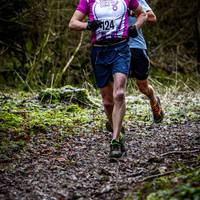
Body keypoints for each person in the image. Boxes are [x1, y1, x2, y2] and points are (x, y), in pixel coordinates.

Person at [69, 0, 147, 158]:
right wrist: (88, 25)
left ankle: (115, 141)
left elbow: (143, 14)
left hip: (121, 48)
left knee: (119, 94)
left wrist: (135, 27)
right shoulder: (89, 1)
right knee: (107, 101)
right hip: (99, 51)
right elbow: (73, 23)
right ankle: (117, 130)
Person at [128, 0, 164, 123]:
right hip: (116, 47)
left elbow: (152, 17)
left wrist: (134, 13)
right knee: (116, 86)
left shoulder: (136, 0)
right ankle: (113, 119)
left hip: (136, 47)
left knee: (143, 87)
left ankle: (154, 100)